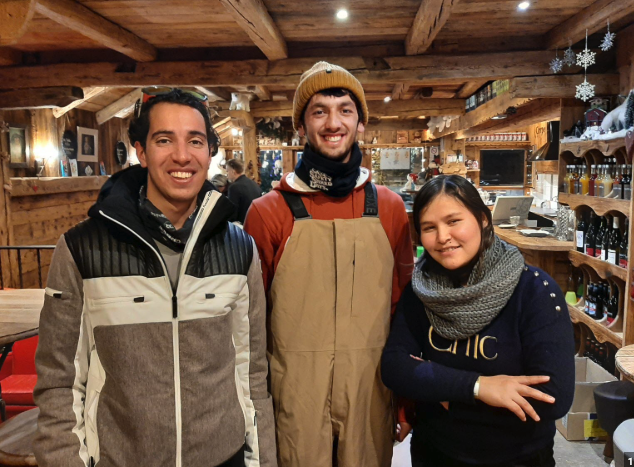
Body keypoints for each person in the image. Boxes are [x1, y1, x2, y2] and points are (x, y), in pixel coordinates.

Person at [33, 89, 276, 467]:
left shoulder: (240, 248)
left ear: (210, 151)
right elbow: (58, 382)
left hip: (222, 457)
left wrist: (262, 460)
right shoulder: (82, 248)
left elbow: (252, 372)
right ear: (141, 152)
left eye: (195, 141)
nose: (182, 155)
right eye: (165, 140)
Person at [244, 61, 413, 467]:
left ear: (360, 124)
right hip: (294, 394)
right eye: (319, 111)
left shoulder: (388, 207)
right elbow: (248, 322)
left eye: (345, 110)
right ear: (301, 126)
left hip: (371, 389)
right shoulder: (268, 212)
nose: (333, 122)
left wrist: (406, 397)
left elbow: (405, 308)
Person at [381, 175, 575, 467]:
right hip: (434, 452)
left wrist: (438, 389)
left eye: (453, 221)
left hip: (517, 457)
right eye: (429, 228)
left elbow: (553, 398)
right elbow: (395, 367)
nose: (443, 237)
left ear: (483, 219)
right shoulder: (421, 290)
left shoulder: (533, 291)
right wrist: (479, 387)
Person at [226, 158, 262, 224]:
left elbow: (232, 213)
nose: (227, 174)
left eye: (227, 171)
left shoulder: (234, 187)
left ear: (233, 171)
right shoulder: (254, 184)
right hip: (256, 224)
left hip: (242, 227)